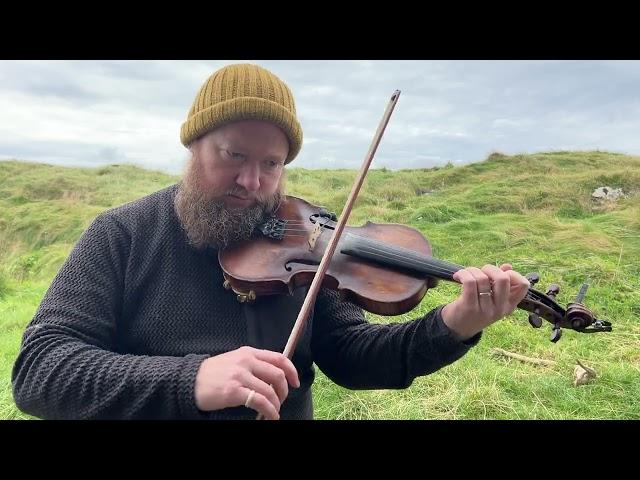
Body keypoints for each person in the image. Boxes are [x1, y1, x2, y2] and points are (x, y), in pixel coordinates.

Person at [11, 63, 530, 420]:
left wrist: (453, 326)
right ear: (194, 146)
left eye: (272, 164)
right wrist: (189, 380)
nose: (253, 183)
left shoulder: (311, 237)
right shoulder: (122, 234)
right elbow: (41, 368)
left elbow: (353, 355)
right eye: (234, 156)